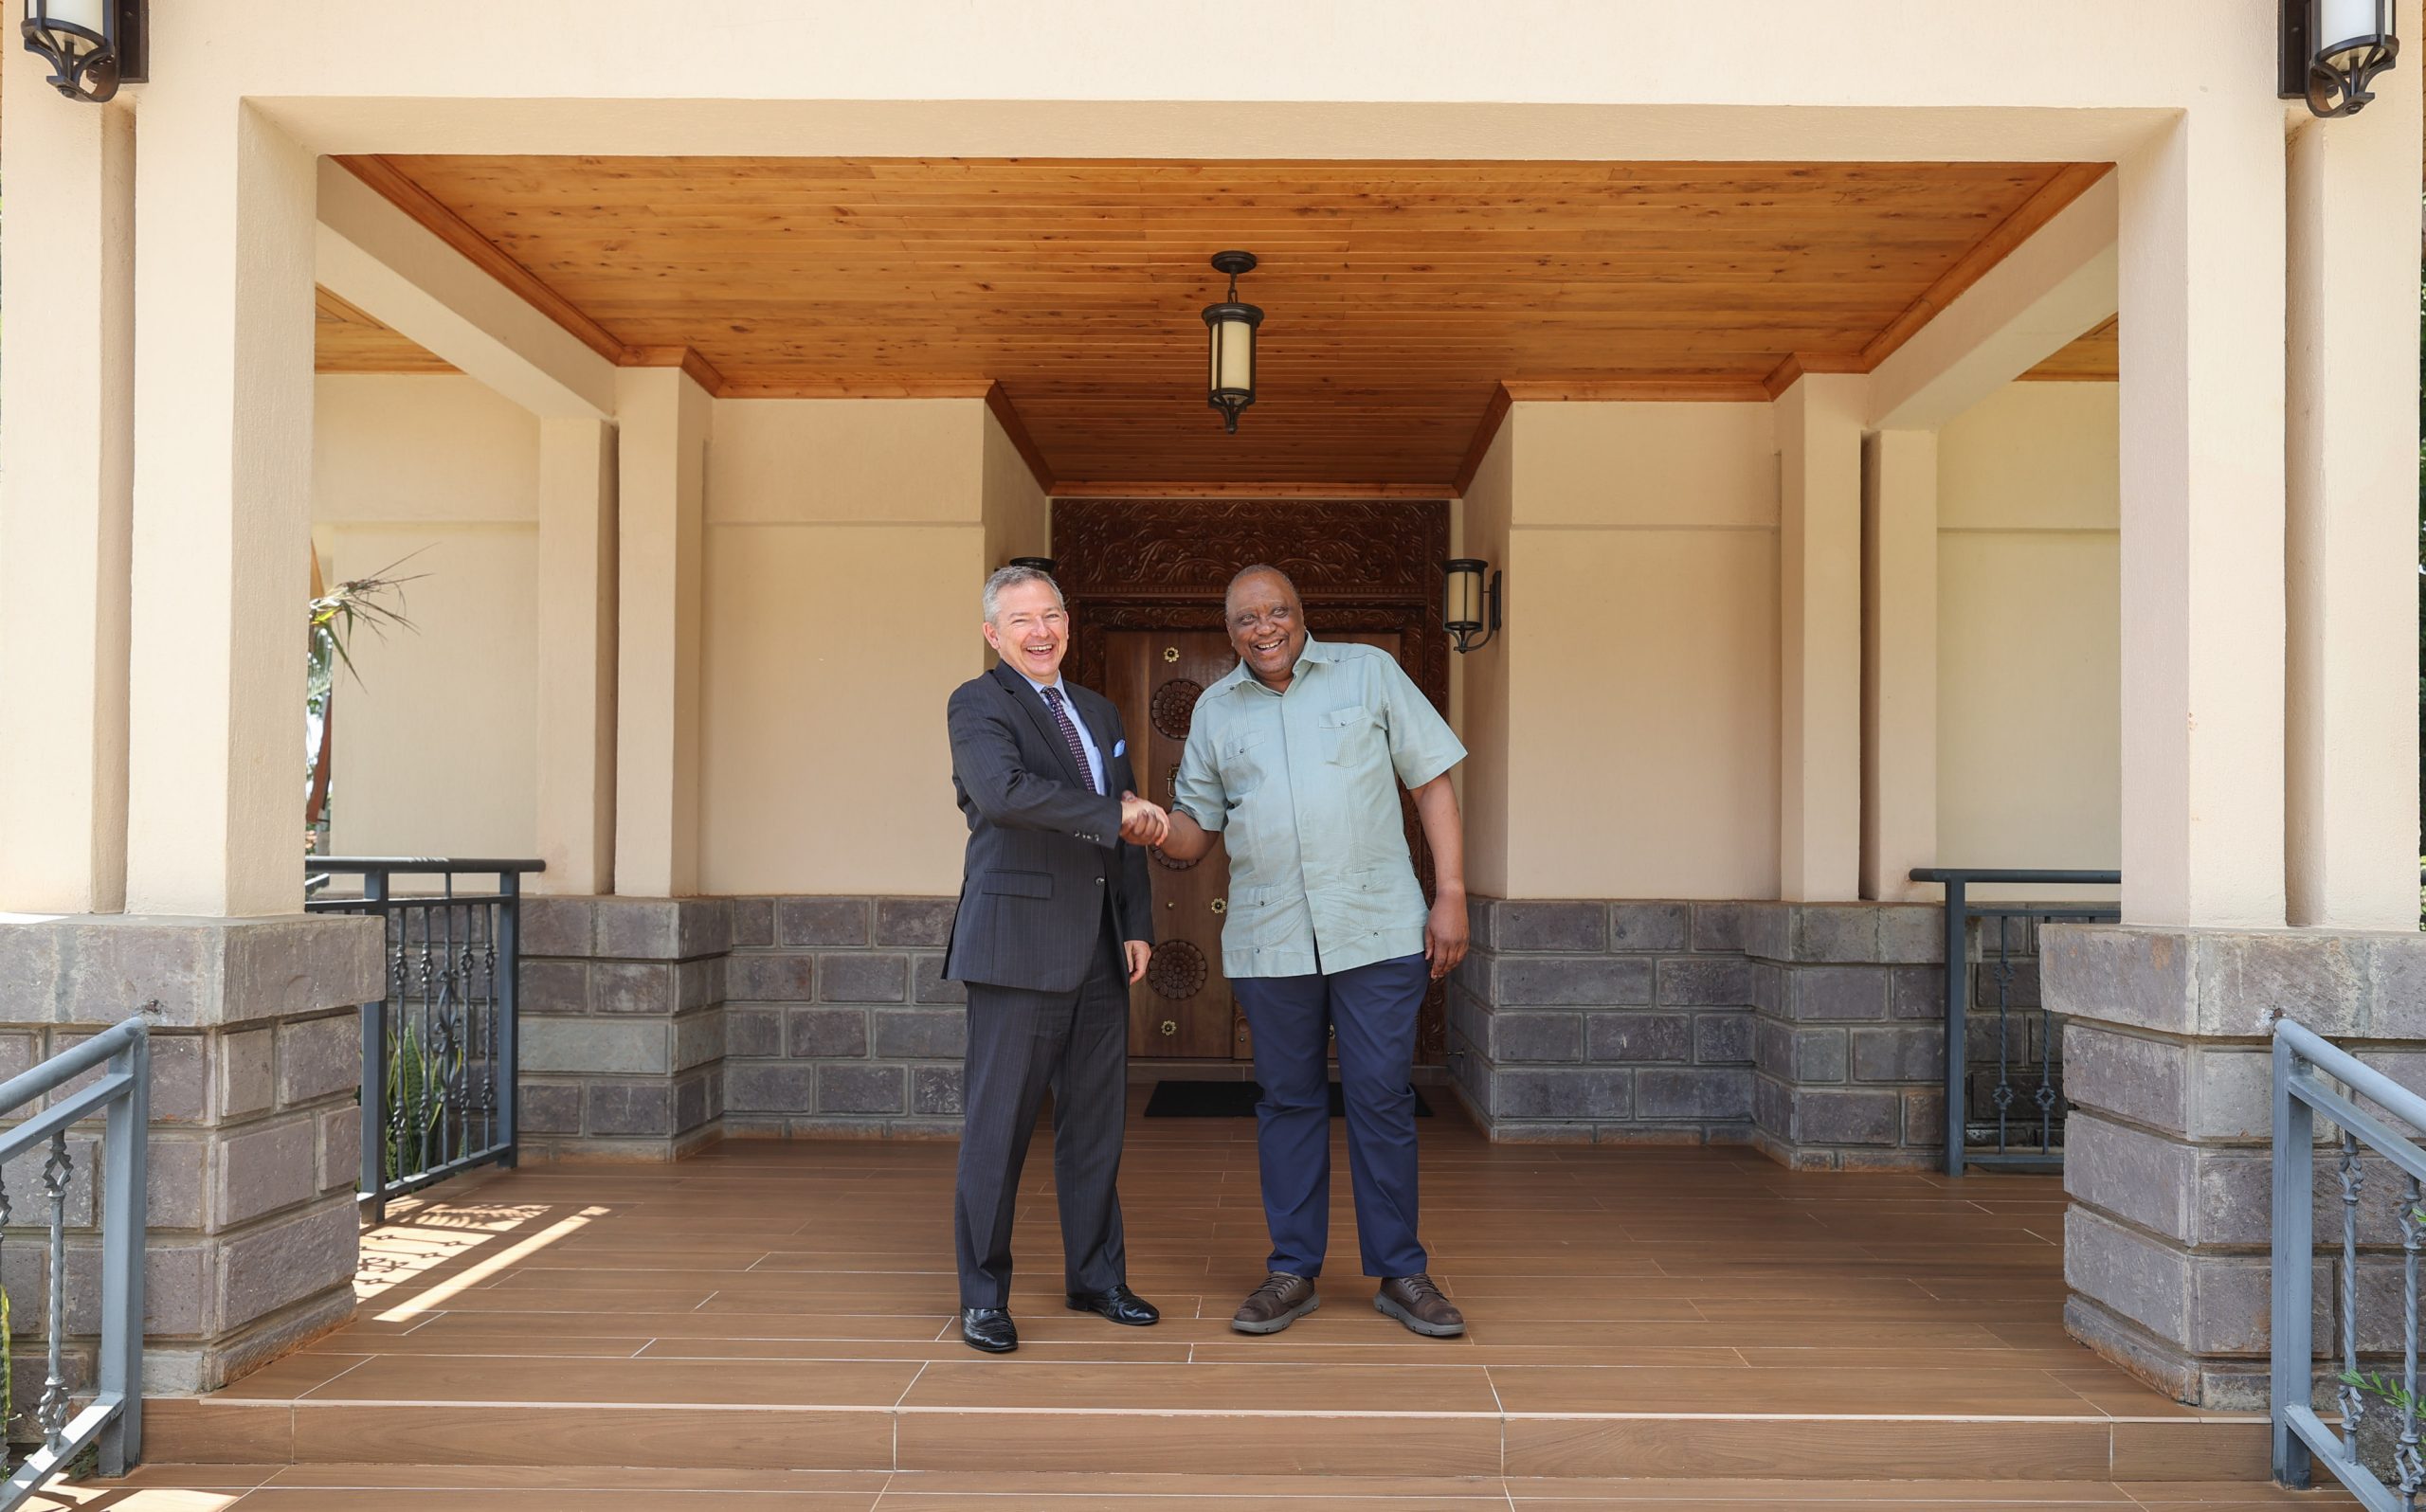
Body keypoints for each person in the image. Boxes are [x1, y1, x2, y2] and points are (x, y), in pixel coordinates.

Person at [1157, 565, 1472, 1338]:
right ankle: (1291, 1270)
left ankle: (1402, 1272)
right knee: (1288, 1104)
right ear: (1226, 632)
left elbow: (1431, 782)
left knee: (1380, 1099)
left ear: (1303, 614)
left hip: (1376, 930)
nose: (1265, 628)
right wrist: (1159, 832)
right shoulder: (1215, 712)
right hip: (1272, 940)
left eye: (1278, 611)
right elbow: (1198, 826)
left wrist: (1453, 893)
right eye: (1246, 619)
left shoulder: (1370, 673)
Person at [942, 564, 1171, 1354]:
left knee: (1095, 1128)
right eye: (1021, 620)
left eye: (1052, 616)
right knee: (998, 1131)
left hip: (1103, 949)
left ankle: (1097, 1278)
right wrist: (1117, 811)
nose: (1040, 632)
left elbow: (1128, 824)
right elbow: (1005, 795)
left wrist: (1136, 921)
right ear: (992, 635)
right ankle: (982, 1295)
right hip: (1018, 949)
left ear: (1068, 622)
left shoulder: (1099, 708)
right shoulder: (978, 704)